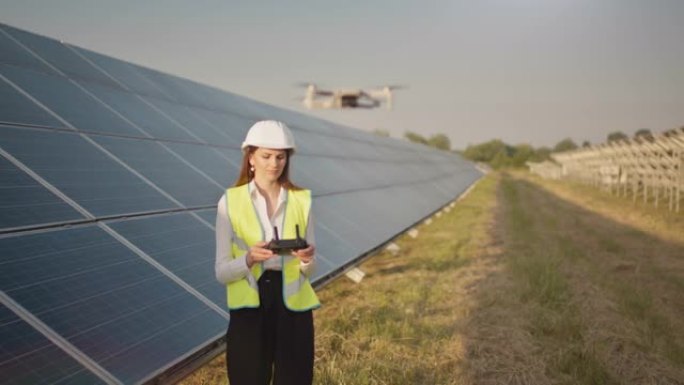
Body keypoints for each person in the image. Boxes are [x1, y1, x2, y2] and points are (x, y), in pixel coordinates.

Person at [215, 120, 320, 385]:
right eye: (266, 156)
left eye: (280, 157)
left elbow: (310, 269)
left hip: (293, 308)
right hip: (250, 306)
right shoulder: (229, 202)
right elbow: (221, 272)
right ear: (250, 157)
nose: (274, 163)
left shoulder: (302, 200)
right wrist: (249, 259)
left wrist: (306, 260)